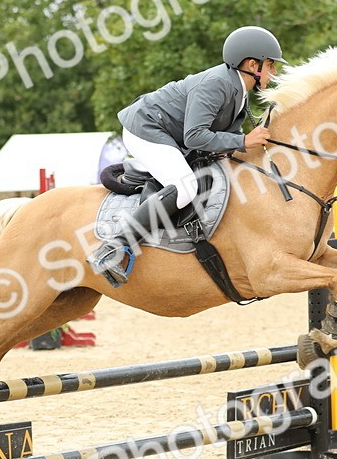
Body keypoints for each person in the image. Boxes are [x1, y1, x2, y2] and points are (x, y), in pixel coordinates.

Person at [87, 26, 285, 287]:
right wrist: (243, 141)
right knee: (185, 187)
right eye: (270, 65)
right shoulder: (217, 83)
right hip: (145, 128)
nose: (274, 72)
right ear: (252, 64)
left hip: (168, 132)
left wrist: (246, 144)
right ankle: (113, 248)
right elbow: (194, 136)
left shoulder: (239, 91)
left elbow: (224, 136)